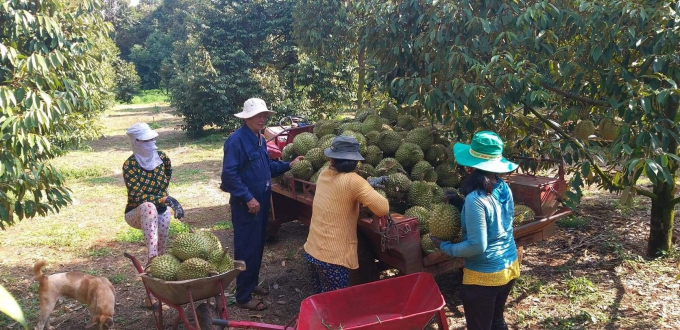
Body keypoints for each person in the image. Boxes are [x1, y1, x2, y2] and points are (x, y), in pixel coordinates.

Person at [430, 131, 520, 330]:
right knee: (496, 321)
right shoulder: (504, 188)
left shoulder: (476, 199)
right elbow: (494, 220)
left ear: (471, 168)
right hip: (508, 266)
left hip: (485, 276)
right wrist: (459, 202)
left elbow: (477, 245)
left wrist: (445, 247)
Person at [220, 98, 304, 311]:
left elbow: (267, 168)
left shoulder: (259, 139)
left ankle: (250, 283)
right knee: (246, 246)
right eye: (258, 115)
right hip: (246, 205)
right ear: (247, 117)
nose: (263, 119)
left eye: (265, 116)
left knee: (257, 245)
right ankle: (243, 296)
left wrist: (289, 165)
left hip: (262, 202)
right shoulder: (236, 141)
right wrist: (247, 197)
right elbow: (228, 176)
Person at [303, 136, 390, 294]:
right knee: (335, 304)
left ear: (331, 159)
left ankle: (319, 319)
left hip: (312, 252)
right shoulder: (354, 181)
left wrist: (365, 185)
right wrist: (366, 186)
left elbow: (340, 189)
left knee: (321, 300)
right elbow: (382, 208)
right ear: (356, 162)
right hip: (333, 260)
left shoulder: (324, 174)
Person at [123, 123, 184, 265]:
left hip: (161, 211)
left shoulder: (162, 158)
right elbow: (137, 197)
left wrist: (164, 200)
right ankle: (152, 256)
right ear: (135, 142)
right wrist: (164, 199)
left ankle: (156, 265)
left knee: (161, 251)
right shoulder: (130, 165)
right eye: (145, 141)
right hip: (136, 213)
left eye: (151, 140)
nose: (150, 144)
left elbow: (166, 178)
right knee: (148, 206)